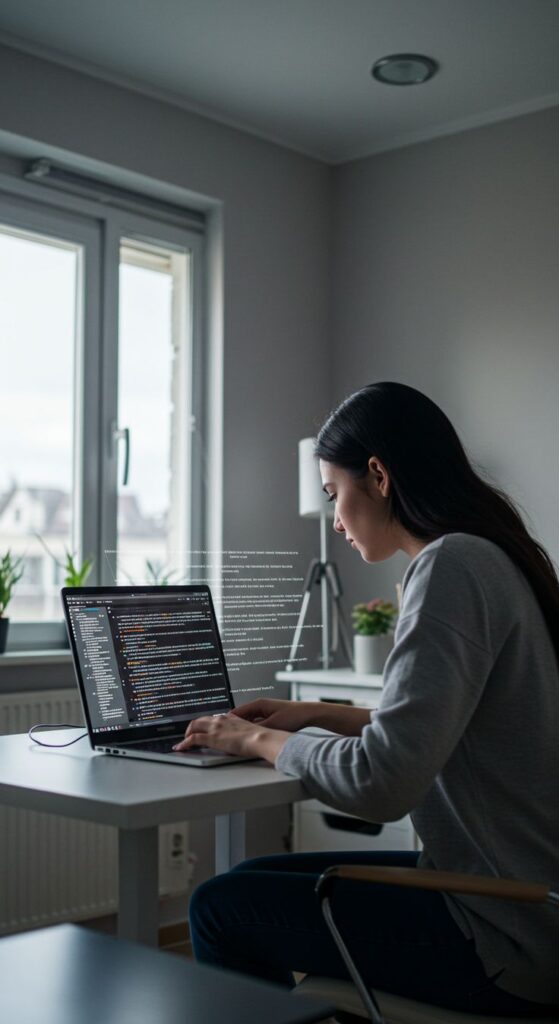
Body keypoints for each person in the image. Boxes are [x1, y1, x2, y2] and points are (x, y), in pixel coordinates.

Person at [174, 382, 559, 1015]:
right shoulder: (492, 556)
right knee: (241, 882)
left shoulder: (451, 565)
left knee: (219, 909)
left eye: (334, 493)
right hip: (523, 907)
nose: (334, 519)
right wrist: (316, 713)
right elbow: (443, 728)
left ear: (378, 476)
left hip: (500, 933)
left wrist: (256, 738)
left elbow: (383, 782)